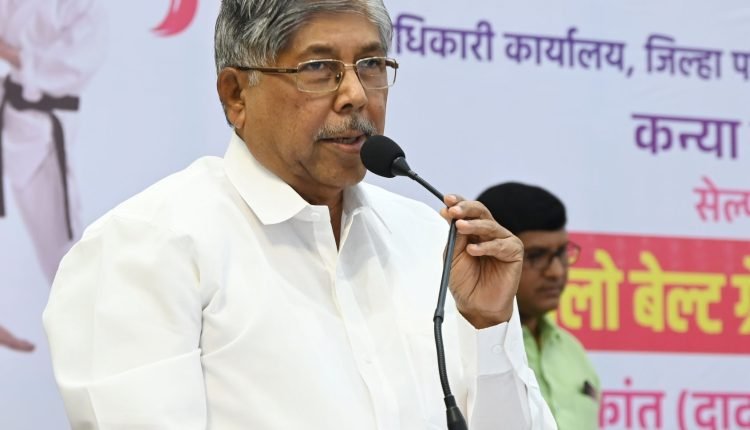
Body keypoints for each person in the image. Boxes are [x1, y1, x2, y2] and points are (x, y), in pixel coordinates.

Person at [44, 1, 556, 428]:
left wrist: (489, 329)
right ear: (236, 94)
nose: (355, 95)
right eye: (318, 68)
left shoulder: (434, 243)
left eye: (371, 65)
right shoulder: (147, 247)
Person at [477, 182, 601, 430]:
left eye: (561, 252)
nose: (556, 272)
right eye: (536, 256)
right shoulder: (462, 348)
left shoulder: (571, 350)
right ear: (488, 255)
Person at [0, 0, 107, 283]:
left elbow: (70, 65)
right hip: (9, 110)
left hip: (43, 131)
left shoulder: (85, 8)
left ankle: (79, 304)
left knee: (59, 242)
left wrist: (11, 54)